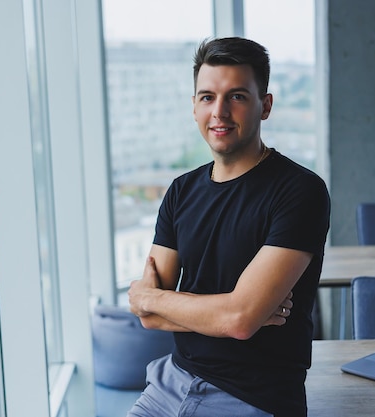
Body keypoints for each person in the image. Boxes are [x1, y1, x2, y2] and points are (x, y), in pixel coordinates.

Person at [127, 37, 330, 417]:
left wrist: (152, 297)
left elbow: (236, 320)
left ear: (264, 106)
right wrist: (227, 313)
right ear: (194, 106)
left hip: (251, 397)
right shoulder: (181, 190)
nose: (218, 112)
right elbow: (149, 318)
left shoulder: (300, 191)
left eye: (236, 96)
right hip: (170, 382)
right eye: (207, 97)